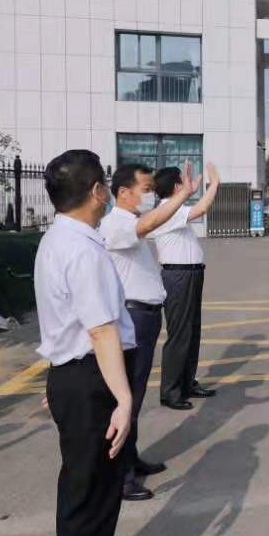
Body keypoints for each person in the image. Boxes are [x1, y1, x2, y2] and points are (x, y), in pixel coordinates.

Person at [34, 149, 139, 536]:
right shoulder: (82, 250)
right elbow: (100, 330)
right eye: (105, 185)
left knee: (99, 493)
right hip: (91, 381)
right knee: (85, 499)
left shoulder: (59, 239)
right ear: (97, 191)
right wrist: (124, 399)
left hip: (77, 377)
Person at [99, 163, 195, 501]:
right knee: (127, 397)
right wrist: (183, 195)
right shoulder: (118, 224)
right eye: (145, 189)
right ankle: (121, 477)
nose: (151, 195)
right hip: (133, 317)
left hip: (145, 317)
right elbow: (152, 222)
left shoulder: (129, 222)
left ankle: (131, 460)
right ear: (123, 192)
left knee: (136, 394)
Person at [151, 162, 220, 411]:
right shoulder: (166, 211)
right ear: (175, 186)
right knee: (180, 334)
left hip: (190, 274)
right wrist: (214, 184)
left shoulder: (174, 209)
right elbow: (201, 209)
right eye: (182, 181)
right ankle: (170, 392)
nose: (186, 184)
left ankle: (187, 382)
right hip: (178, 276)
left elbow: (193, 207)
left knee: (191, 332)